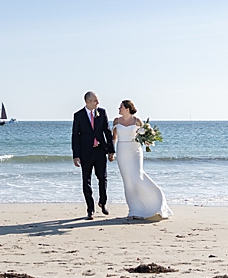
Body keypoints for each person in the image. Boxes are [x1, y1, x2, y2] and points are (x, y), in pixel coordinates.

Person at [112, 99, 172, 220]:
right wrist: (111, 152)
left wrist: (148, 140)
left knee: (137, 176)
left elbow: (144, 136)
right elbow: (114, 138)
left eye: (121, 107)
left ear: (127, 108)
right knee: (128, 181)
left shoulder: (137, 121)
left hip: (135, 151)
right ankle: (133, 210)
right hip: (122, 151)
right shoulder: (116, 121)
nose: (119, 109)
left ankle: (156, 198)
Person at [71, 91, 114, 220]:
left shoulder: (102, 112)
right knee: (86, 180)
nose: (97, 103)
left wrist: (111, 150)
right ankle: (90, 209)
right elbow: (75, 136)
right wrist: (76, 155)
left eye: (98, 100)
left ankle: (103, 202)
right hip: (86, 152)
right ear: (88, 102)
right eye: (95, 100)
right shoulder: (78, 116)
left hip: (100, 150)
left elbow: (107, 131)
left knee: (103, 177)